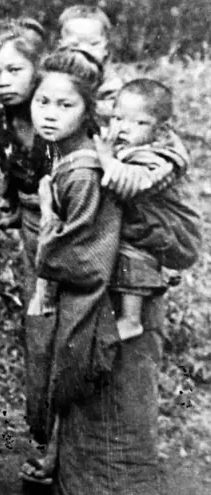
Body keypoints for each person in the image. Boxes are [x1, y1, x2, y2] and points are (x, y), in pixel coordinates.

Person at [31, 48, 167, 495]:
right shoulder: (70, 160)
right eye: (42, 101)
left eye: (64, 105)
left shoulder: (86, 168)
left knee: (115, 408)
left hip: (110, 303)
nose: (48, 113)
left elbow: (87, 251)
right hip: (94, 301)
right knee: (87, 412)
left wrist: (47, 233)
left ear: (88, 113)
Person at [0, 19, 55, 482]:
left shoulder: (60, 112)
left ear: (38, 69)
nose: (4, 82)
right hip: (32, 227)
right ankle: (44, 438)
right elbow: (14, 171)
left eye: (14, 70)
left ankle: (72, 447)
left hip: (73, 225)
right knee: (38, 328)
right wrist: (10, 201)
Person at [94, 79, 202, 340]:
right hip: (144, 219)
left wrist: (107, 159)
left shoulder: (162, 158)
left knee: (134, 254)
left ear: (161, 129)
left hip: (166, 227)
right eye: (118, 118)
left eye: (139, 122)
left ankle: (131, 320)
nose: (124, 128)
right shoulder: (134, 142)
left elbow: (136, 183)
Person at [57, 4, 124, 124]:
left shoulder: (110, 81)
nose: (85, 50)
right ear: (61, 46)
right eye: (74, 45)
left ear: (106, 49)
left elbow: (116, 109)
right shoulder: (55, 74)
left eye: (93, 44)